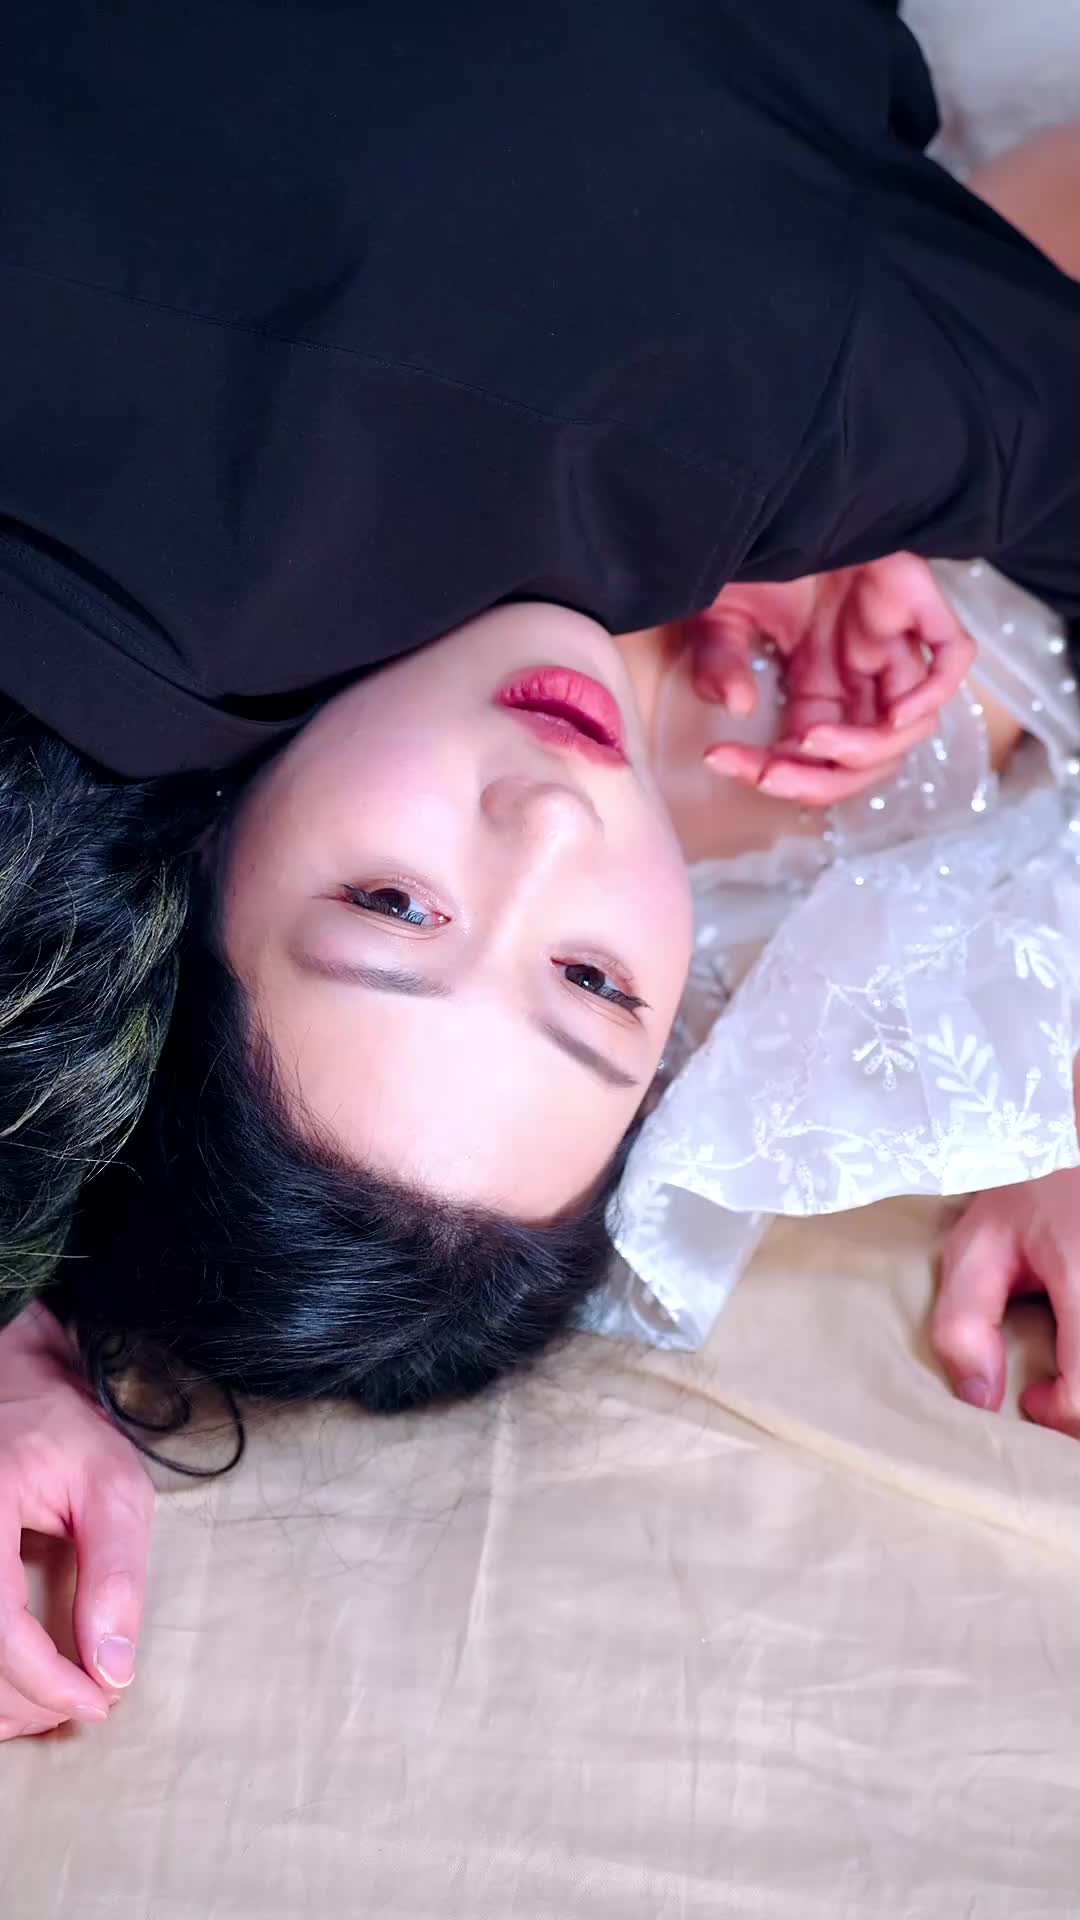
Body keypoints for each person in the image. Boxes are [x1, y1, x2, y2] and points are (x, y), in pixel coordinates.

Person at [0, 2, 1077, 1735]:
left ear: (186, 872)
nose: (551, 831)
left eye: (395, 908)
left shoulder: (783, 400)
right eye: (589, 981)